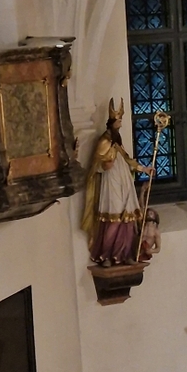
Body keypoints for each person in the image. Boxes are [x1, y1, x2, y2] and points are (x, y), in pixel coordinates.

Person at [81, 98, 154, 266]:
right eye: (119, 121)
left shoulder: (117, 140)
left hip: (124, 180)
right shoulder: (104, 141)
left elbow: (127, 159)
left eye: (121, 120)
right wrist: (104, 166)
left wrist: (144, 169)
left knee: (127, 218)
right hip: (111, 181)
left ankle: (125, 254)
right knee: (113, 218)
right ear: (112, 123)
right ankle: (107, 255)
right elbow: (95, 165)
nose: (120, 124)